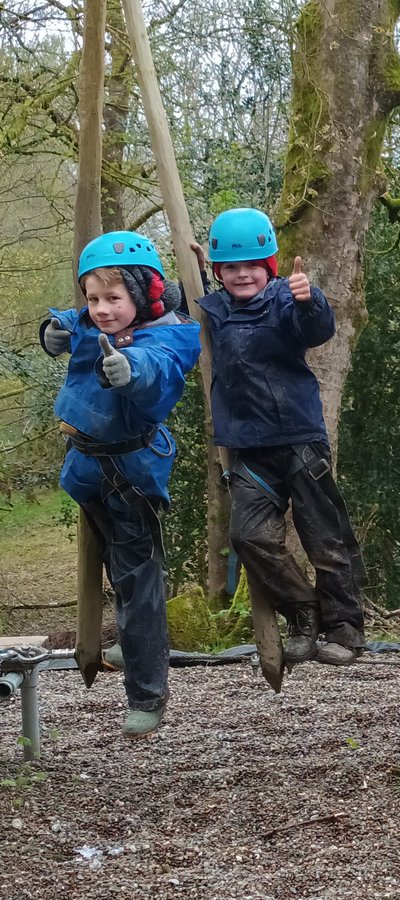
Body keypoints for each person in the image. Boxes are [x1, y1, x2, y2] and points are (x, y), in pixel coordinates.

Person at [41, 230, 201, 737]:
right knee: (117, 564)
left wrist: (129, 370)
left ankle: (148, 694)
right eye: (93, 298)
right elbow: (71, 321)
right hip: (87, 467)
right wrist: (54, 329)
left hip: (128, 473)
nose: (102, 309)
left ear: (142, 293)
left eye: (114, 298)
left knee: (138, 581)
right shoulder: (93, 317)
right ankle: (132, 641)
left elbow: (159, 369)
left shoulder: (167, 336)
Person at [197, 207, 366, 666]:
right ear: (219, 272)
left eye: (252, 266)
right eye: (231, 267)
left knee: (324, 539)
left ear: (269, 267)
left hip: (299, 439)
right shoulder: (214, 308)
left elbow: (316, 330)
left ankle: (346, 628)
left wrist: (310, 300)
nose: (242, 275)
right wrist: (194, 263)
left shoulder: (286, 301)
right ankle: (303, 612)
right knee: (249, 537)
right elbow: (183, 299)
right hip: (249, 448)